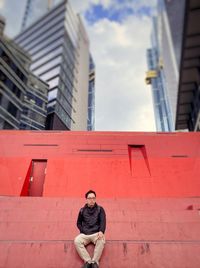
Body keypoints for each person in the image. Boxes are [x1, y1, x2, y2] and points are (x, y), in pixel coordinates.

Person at [74, 190, 106, 268]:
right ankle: (88, 261)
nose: (92, 200)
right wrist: (82, 230)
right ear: (86, 199)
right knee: (77, 240)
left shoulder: (100, 209)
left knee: (101, 240)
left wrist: (101, 231)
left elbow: (103, 221)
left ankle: (95, 261)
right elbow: (78, 223)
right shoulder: (82, 210)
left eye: (93, 198)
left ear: (95, 199)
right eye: (90, 198)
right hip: (85, 234)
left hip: (96, 233)